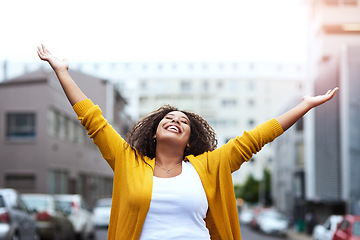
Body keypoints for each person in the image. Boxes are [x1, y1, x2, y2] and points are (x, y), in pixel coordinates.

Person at [37, 44, 338, 240]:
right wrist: (62, 72)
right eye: (168, 119)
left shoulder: (209, 166)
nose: (176, 121)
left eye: (183, 121)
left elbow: (256, 138)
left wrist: (305, 106)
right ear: (154, 132)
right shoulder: (128, 161)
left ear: (189, 138)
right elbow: (94, 120)